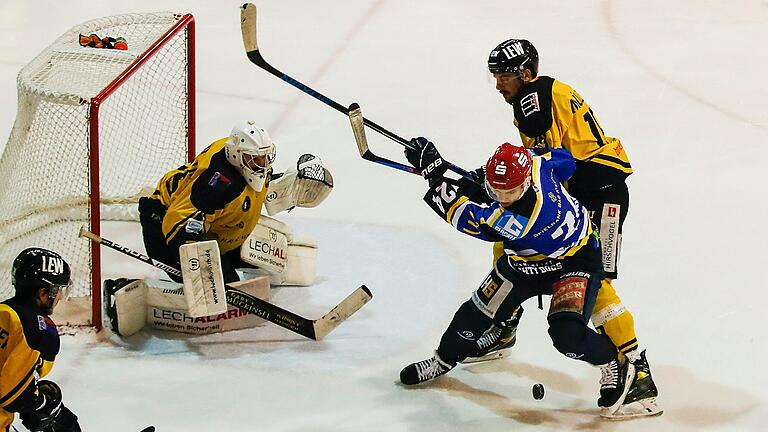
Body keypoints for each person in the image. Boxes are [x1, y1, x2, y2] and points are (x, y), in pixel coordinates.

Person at [479, 38, 660, 416]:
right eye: (495, 76)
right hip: (584, 189)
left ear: (526, 74)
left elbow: (543, 162)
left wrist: (484, 181)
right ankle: (505, 325)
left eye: (506, 76)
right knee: (510, 240)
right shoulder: (542, 93)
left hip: (602, 194)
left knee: (597, 281)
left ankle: (638, 373)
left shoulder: (531, 102)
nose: (499, 85)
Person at [399, 139, 635, 418]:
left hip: (574, 261)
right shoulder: (538, 162)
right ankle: (443, 359)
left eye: (509, 191)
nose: (502, 196)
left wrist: (435, 177)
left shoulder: (526, 217)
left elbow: (463, 215)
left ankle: (614, 363)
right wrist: (480, 180)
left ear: (524, 185)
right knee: (474, 315)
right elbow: (566, 162)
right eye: (496, 189)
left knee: (566, 334)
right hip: (526, 262)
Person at [138, 120, 333, 284]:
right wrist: (202, 268)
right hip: (164, 232)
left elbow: (256, 191)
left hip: (215, 230)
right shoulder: (216, 184)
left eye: (265, 158)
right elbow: (177, 224)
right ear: (235, 155)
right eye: (256, 160)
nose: (263, 165)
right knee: (230, 291)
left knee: (270, 266)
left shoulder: (246, 160)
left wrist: (291, 184)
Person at [0, 248, 80, 432]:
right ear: (44, 293)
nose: (60, 297)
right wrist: (45, 405)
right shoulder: (40, 330)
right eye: (58, 290)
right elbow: (14, 398)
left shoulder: (4, 311)